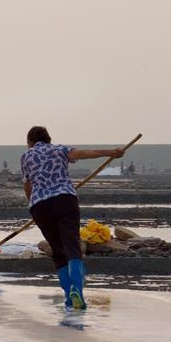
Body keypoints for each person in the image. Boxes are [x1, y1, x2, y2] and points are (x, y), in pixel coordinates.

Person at [20, 126, 123, 309]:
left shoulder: (26, 157)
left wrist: (33, 205)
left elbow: (28, 186)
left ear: (30, 142)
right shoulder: (59, 150)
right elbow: (84, 153)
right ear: (49, 139)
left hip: (40, 206)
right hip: (65, 200)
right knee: (72, 247)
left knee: (59, 253)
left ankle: (69, 297)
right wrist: (111, 153)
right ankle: (77, 290)